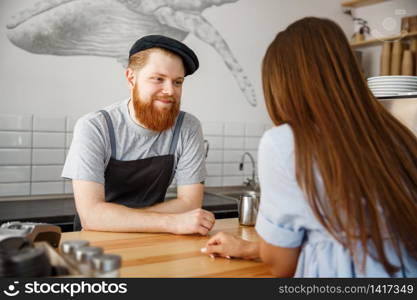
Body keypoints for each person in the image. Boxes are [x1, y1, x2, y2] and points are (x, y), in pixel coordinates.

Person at [201, 17, 417, 277]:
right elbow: (342, 238)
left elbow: (283, 265)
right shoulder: (398, 135)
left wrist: (265, 250)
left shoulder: (284, 142)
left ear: (281, 85)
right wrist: (251, 249)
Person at [62, 35, 215, 234]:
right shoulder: (95, 127)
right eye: (158, 79)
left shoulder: (187, 127)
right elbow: (92, 216)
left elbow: (190, 203)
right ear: (131, 78)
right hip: (98, 243)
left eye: (177, 82)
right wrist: (171, 222)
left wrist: (118, 219)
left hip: (154, 241)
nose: (170, 90)